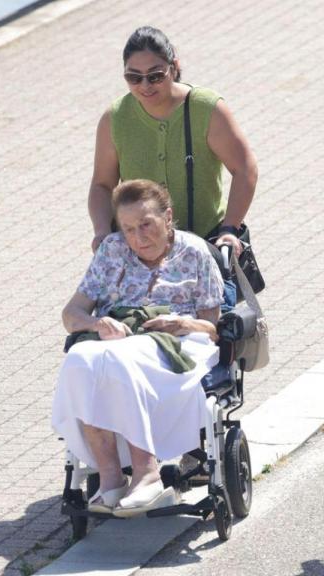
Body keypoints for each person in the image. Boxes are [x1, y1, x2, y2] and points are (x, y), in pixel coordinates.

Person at [52, 179, 224, 517]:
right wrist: (96, 323)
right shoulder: (112, 251)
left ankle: (147, 473)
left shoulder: (195, 252)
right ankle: (111, 477)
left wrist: (183, 324)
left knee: (120, 357)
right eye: (129, 228)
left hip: (179, 345)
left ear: (168, 217)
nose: (138, 237)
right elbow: (71, 314)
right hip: (119, 340)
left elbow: (213, 328)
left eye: (146, 224)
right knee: (80, 358)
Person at [89, 26, 258, 308]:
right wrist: (102, 233)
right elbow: (101, 185)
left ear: (174, 67)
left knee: (214, 329)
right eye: (134, 77)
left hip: (204, 247)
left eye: (155, 75)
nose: (145, 85)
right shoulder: (115, 118)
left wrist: (230, 227)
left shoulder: (206, 108)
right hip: (139, 252)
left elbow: (245, 169)